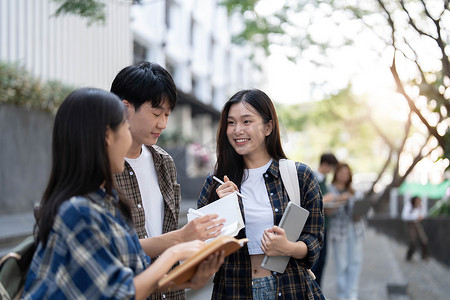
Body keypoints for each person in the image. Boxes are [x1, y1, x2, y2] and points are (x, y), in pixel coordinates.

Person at [21, 88, 225, 299]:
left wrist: (188, 280)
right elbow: (121, 293)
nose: (130, 141)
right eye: (125, 129)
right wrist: (174, 252)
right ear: (108, 136)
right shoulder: (78, 211)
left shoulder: (106, 201)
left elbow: (130, 279)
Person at [111, 61, 224, 300]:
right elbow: (111, 247)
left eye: (167, 114)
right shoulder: (99, 167)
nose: (163, 124)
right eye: (156, 113)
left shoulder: (164, 162)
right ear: (125, 109)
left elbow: (168, 231)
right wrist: (179, 239)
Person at [197, 89, 325, 299]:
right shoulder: (216, 182)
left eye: (247, 121)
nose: (237, 130)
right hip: (233, 291)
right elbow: (202, 245)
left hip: (289, 288)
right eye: (231, 123)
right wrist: (222, 206)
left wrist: (288, 247)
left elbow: (314, 240)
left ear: (268, 127)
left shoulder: (300, 176)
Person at [327, 163, 364, 300]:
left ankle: (352, 295)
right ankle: (342, 296)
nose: (344, 175)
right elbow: (327, 212)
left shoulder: (354, 191)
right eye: (342, 172)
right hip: (338, 231)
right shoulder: (330, 190)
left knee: (355, 263)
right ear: (336, 173)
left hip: (355, 229)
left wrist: (360, 213)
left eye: (347, 173)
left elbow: (363, 209)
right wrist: (338, 199)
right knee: (341, 265)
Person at [311, 153, 338, 287]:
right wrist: (326, 200)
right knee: (314, 265)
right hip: (314, 228)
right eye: (331, 167)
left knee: (322, 262)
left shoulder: (324, 181)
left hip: (324, 226)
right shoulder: (312, 178)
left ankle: (318, 292)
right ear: (325, 164)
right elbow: (309, 202)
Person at [401, 196, 429, 261]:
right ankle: (409, 256)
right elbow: (404, 216)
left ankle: (424, 256)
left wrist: (421, 211)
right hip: (410, 224)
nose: (418, 202)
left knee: (424, 239)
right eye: (417, 201)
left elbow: (423, 214)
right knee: (413, 241)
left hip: (417, 223)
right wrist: (415, 217)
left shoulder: (420, 206)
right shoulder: (408, 206)